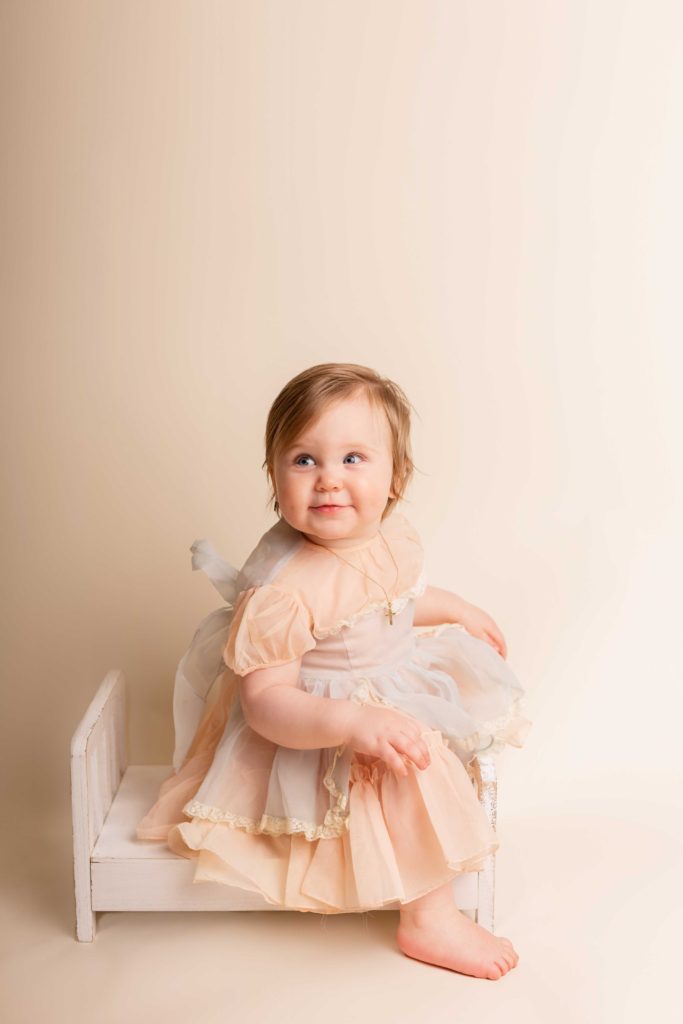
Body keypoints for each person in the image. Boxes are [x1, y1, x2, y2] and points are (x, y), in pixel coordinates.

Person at [136, 362, 532, 981]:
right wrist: (351, 723)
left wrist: (452, 608)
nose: (328, 481)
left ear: (395, 477)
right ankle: (428, 919)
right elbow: (266, 701)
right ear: (274, 475)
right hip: (311, 721)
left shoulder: (382, 535)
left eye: (353, 459)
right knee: (410, 765)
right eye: (303, 460)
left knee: (427, 746)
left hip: (384, 676)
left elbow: (386, 603)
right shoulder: (285, 588)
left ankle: (423, 865)